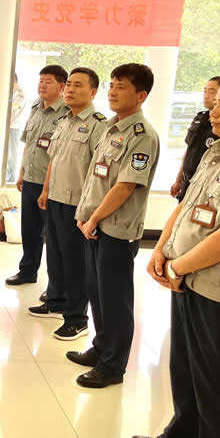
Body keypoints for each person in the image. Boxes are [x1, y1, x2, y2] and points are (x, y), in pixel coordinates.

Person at [137, 70, 220, 438]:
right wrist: (161, 249)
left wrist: (176, 267)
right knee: (186, 371)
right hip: (189, 279)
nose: (213, 112)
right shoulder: (217, 150)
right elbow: (186, 204)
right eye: (214, 104)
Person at [68, 63, 160, 389]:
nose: (112, 91)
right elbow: (96, 176)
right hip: (94, 225)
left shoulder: (143, 136)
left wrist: (94, 217)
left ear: (141, 95)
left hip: (117, 230)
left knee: (115, 300)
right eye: (112, 85)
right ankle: (101, 347)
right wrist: (85, 214)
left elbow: (125, 186)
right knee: (96, 293)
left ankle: (112, 366)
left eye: (121, 87)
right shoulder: (111, 128)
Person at [33, 68, 108, 340]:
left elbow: (100, 171)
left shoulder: (99, 125)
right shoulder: (64, 121)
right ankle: (55, 300)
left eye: (78, 85)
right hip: (55, 198)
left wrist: (90, 209)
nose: (70, 90)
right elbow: (54, 159)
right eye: (69, 85)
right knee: (55, 255)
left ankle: (77, 318)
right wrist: (45, 190)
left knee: (76, 263)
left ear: (93, 92)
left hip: (77, 205)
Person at [5, 65, 68, 286]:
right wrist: (21, 172)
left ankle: (55, 286)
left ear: (61, 86)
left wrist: (47, 188)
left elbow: (60, 154)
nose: (42, 85)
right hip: (30, 179)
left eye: (48, 81)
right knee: (30, 230)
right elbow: (28, 143)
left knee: (53, 237)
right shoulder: (35, 107)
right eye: (41, 80)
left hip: (51, 185)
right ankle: (27, 271)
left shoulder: (67, 113)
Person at [170, 77, 220, 202]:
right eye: (205, 91)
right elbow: (189, 150)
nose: (206, 95)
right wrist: (178, 180)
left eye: (211, 91)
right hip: (187, 181)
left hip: (206, 185)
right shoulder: (199, 118)